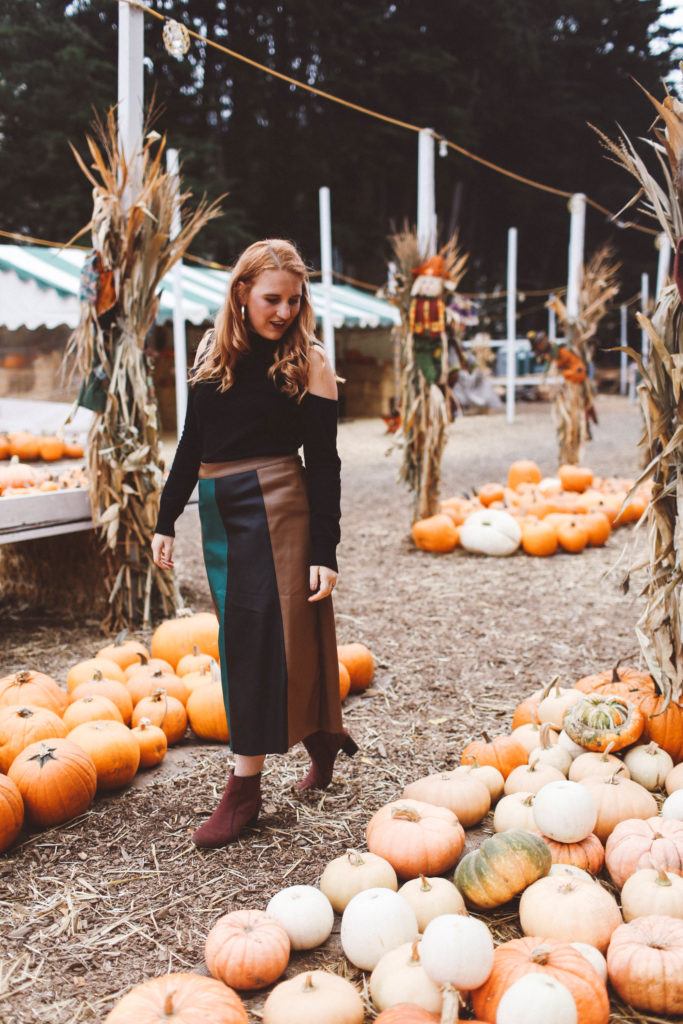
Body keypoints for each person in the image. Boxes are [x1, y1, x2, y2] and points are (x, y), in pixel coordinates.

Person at [151, 239, 357, 849]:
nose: (284, 311)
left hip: (278, 505)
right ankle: (322, 738)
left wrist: (326, 550)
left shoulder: (310, 361)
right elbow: (192, 442)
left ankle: (244, 792)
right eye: (272, 298)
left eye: (295, 300)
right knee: (268, 632)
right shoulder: (212, 351)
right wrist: (167, 519)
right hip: (220, 507)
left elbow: (324, 464)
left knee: (256, 638)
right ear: (241, 292)